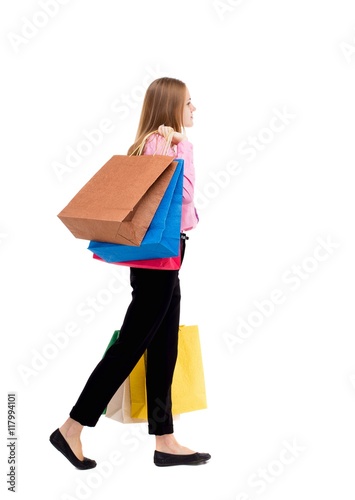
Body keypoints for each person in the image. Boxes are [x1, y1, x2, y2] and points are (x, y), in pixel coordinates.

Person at [50, 77, 211, 468]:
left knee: (163, 348)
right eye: (189, 102)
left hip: (164, 259)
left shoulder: (151, 143)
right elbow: (184, 194)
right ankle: (72, 427)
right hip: (158, 261)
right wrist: (182, 146)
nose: (195, 109)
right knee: (131, 346)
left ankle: (165, 440)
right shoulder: (165, 145)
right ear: (172, 106)